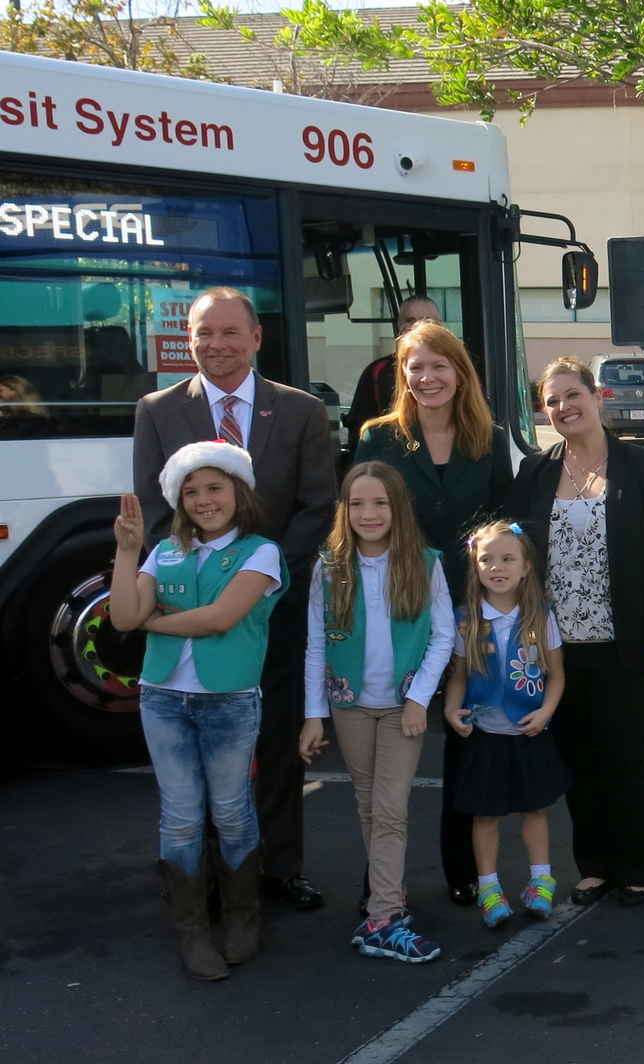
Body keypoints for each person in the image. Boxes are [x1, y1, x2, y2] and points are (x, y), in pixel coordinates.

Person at [132, 287, 335, 912]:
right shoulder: (157, 410)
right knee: (201, 754)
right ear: (189, 340)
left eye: (228, 332)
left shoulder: (301, 411)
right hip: (193, 613)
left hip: (274, 607)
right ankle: (206, 875)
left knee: (275, 740)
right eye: (204, 334)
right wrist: (201, 588)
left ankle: (279, 867)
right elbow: (155, 511)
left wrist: (257, 577)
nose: (216, 345)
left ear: (255, 339)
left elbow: (317, 506)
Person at [510, 357, 644, 907]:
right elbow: (514, 552)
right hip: (558, 649)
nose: (564, 407)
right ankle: (595, 866)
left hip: (629, 646)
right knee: (578, 761)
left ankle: (639, 865)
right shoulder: (535, 473)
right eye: (552, 401)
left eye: (572, 395)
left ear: (596, 397)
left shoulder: (641, 466)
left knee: (624, 756)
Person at [108, 442, 286, 981]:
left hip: (229, 700)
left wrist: (154, 622)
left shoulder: (261, 552)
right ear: (179, 501)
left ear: (238, 492)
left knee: (231, 811)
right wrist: (127, 552)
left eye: (214, 487)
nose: (204, 499)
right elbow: (122, 617)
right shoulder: (164, 551)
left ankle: (242, 917)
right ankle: (190, 930)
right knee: (181, 817)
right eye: (191, 491)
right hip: (163, 699)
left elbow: (219, 619)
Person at [354, 321, 514, 907]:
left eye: (438, 365)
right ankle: (378, 884)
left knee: (464, 736)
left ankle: (462, 868)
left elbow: (504, 522)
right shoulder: (378, 438)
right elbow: (360, 515)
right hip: (399, 608)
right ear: (403, 376)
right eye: (415, 367)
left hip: (472, 608)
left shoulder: (489, 438)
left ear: (459, 373)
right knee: (385, 754)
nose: (427, 378)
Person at [298, 462, 455, 962]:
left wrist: (419, 699)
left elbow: (444, 636)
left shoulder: (424, 563)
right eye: (357, 503)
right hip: (350, 706)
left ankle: (382, 917)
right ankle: (391, 897)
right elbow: (316, 645)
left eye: (380, 503)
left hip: (401, 708)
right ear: (344, 510)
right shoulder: (329, 567)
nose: (368, 513)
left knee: (390, 809)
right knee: (369, 807)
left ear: (398, 508)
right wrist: (313, 715)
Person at [441, 521, 569, 928]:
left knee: (535, 809)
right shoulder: (466, 620)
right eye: (487, 559)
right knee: (485, 814)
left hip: (529, 731)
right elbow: (459, 675)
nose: (497, 567)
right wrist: (451, 709)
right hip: (485, 734)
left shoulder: (540, 616)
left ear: (526, 567)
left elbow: (556, 675)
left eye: (508, 559)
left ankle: (540, 881)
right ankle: (489, 887)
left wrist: (546, 712)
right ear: (475, 566)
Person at [344, 294, 441, 447]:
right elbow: (360, 429)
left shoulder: (459, 367)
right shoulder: (377, 372)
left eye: (425, 320)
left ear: (439, 324)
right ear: (399, 325)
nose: (417, 326)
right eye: (410, 320)